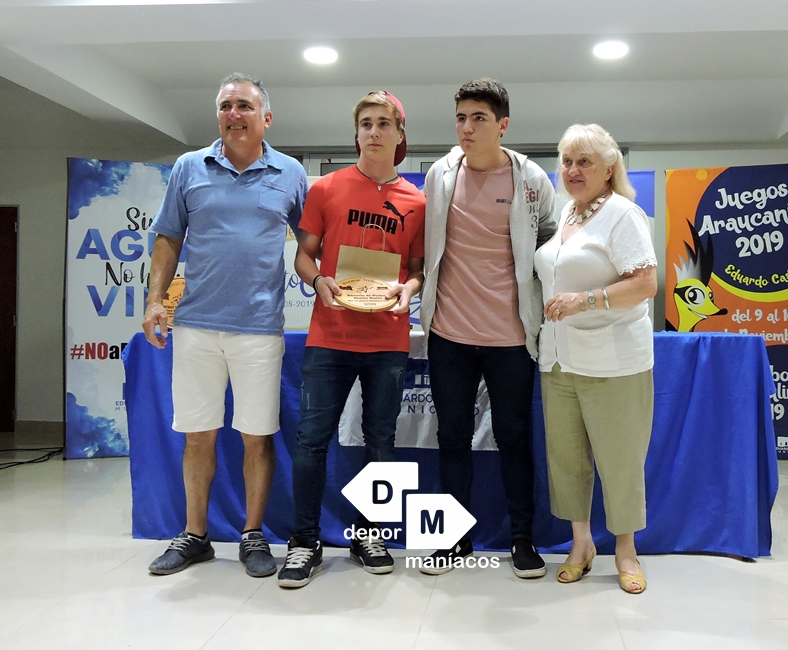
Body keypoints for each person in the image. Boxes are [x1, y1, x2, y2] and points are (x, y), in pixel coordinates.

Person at [142, 73, 308, 577]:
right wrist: (154, 301)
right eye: (226, 106)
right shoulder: (189, 167)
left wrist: (347, 280)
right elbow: (168, 238)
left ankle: (253, 536)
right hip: (195, 325)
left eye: (244, 106)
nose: (234, 115)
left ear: (266, 118)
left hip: (259, 329)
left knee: (258, 437)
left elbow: (312, 242)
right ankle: (195, 536)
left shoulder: (291, 172)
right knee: (198, 436)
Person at [277, 91, 426, 589]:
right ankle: (304, 540)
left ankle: (371, 535)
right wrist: (319, 281)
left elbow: (417, 269)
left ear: (399, 134)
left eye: (384, 123)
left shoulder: (417, 201)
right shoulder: (327, 188)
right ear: (356, 133)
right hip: (330, 335)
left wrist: (409, 289)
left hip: (388, 339)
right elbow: (304, 256)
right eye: (366, 123)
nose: (374, 131)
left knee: (381, 440)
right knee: (311, 439)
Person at [420, 78, 556, 577]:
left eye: (478, 118)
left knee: (513, 437)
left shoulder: (531, 178)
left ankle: (522, 539)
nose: (467, 127)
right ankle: (453, 541)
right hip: (449, 334)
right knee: (452, 438)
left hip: (511, 337)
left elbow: (550, 242)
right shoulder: (439, 174)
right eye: (461, 117)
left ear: (502, 125)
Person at [533, 123, 657, 594]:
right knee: (567, 459)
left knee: (619, 460)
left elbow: (645, 283)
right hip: (558, 359)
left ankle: (625, 551)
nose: (572, 170)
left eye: (584, 161)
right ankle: (581, 543)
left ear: (609, 169)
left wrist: (585, 301)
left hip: (614, 360)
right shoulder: (566, 212)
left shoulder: (623, 214)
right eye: (567, 161)